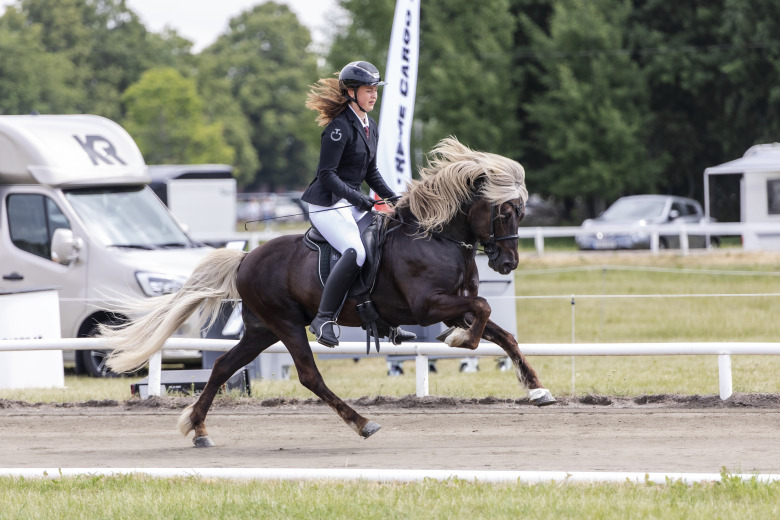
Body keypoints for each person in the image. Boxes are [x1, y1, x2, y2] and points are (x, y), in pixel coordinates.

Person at [302, 61, 415, 347]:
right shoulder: (339, 128)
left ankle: (380, 320)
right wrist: (359, 199)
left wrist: (392, 197)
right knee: (356, 252)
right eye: (368, 90)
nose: (373, 95)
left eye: (375, 89)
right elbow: (326, 175)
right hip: (327, 204)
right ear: (351, 92)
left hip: (350, 203)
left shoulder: (369, 126)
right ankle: (323, 317)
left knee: (383, 244)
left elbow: (370, 171)